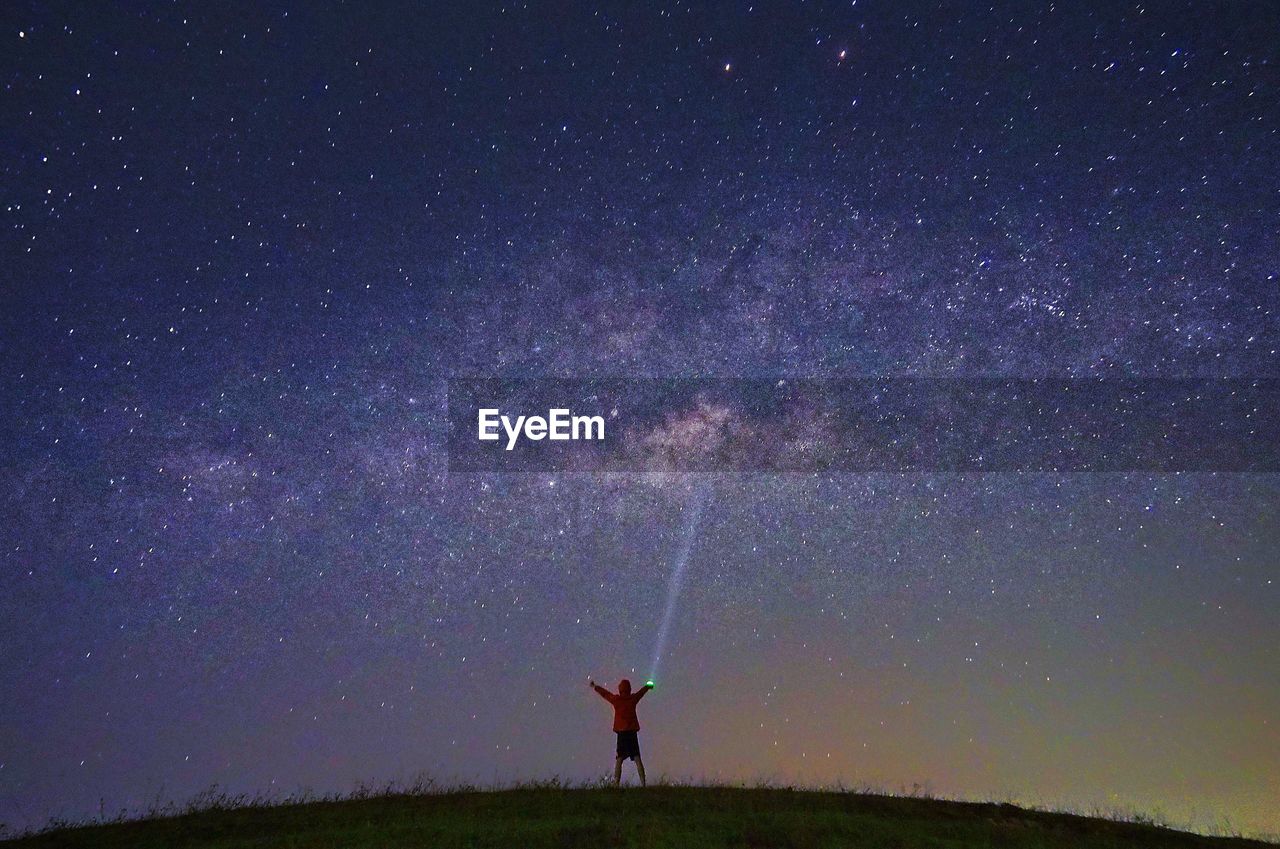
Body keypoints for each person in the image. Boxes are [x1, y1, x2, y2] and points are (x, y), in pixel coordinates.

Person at [588, 677, 653, 786]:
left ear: (620, 689)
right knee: (637, 758)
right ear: (629, 689)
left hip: (621, 733)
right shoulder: (632, 699)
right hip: (632, 732)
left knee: (619, 759)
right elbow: (641, 693)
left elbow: (605, 694)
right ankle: (643, 784)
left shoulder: (616, 700)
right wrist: (648, 686)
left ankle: (616, 784)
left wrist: (595, 687)